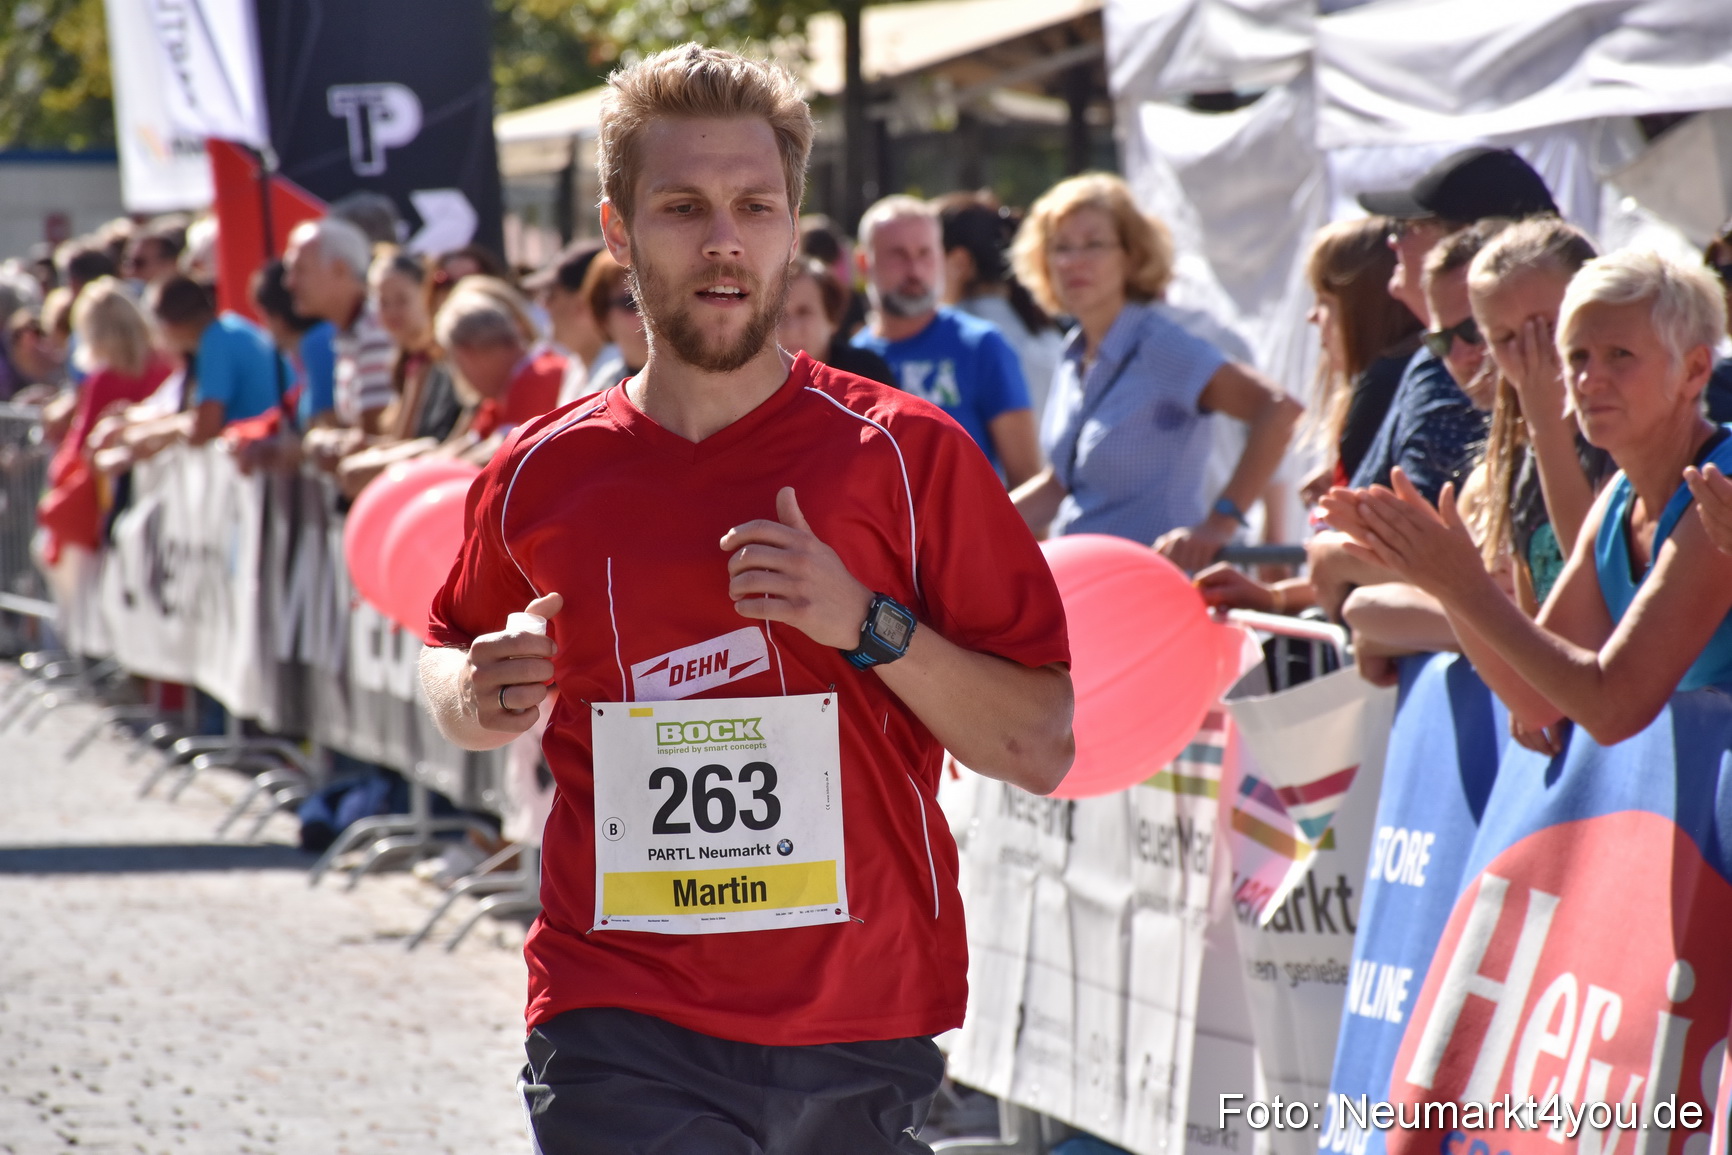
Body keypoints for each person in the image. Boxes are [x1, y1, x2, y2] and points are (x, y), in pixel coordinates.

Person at [418, 43, 1073, 1152]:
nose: (723, 238)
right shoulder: (543, 470)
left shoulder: (908, 458)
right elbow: (443, 659)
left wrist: (865, 623)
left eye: (754, 206)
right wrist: (476, 693)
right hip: (615, 1010)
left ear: (790, 226)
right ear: (619, 231)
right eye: (682, 207)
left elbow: (1039, 743)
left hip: (859, 1013)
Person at [1327, 250, 1732, 751]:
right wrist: (1443, 580)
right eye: (1578, 357)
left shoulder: (1719, 490)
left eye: (1619, 355)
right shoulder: (1616, 501)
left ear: (1694, 370)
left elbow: (1613, 708)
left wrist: (1464, 583)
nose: (1588, 380)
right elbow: (1536, 701)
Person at [1007, 172, 1301, 572]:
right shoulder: (1073, 350)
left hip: (1156, 587)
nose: (1074, 261)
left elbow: (1279, 409)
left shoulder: (1160, 343)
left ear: (1132, 256)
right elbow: (1060, 483)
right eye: (1060, 247)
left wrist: (1220, 524)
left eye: (1094, 244)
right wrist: (961, 528)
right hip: (1089, 584)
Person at [851, 195, 1042, 487]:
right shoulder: (848, 362)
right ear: (865, 263)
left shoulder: (981, 346)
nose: (914, 270)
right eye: (898, 255)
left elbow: (1027, 479)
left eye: (925, 253)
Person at [36, 278, 171, 563]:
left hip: (117, 506)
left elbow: (80, 448)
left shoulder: (104, 379)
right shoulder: (165, 365)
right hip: (165, 499)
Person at [937, 191, 1065, 421]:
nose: (915, 269)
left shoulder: (948, 342)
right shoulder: (1048, 335)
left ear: (959, 262)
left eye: (925, 252)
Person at [283, 216, 394, 435]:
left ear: (340, 270)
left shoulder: (376, 329)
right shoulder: (352, 329)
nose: (289, 282)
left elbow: (375, 435)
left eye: (300, 270)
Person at [431, 280, 563, 443]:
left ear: (468, 353)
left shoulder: (537, 376)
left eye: (454, 361)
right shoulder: (502, 393)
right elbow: (468, 448)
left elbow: (506, 455)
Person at [777, 256, 896, 385]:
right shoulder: (756, 386)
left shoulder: (867, 374)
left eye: (804, 312)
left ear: (832, 318)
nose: (791, 328)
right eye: (779, 315)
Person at [524, 241, 609, 404]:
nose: (543, 305)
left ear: (583, 305)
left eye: (551, 294)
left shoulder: (624, 372)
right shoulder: (576, 366)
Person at [579, 251, 649, 394]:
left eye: (658, 299)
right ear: (603, 318)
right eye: (632, 302)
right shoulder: (600, 390)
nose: (650, 312)